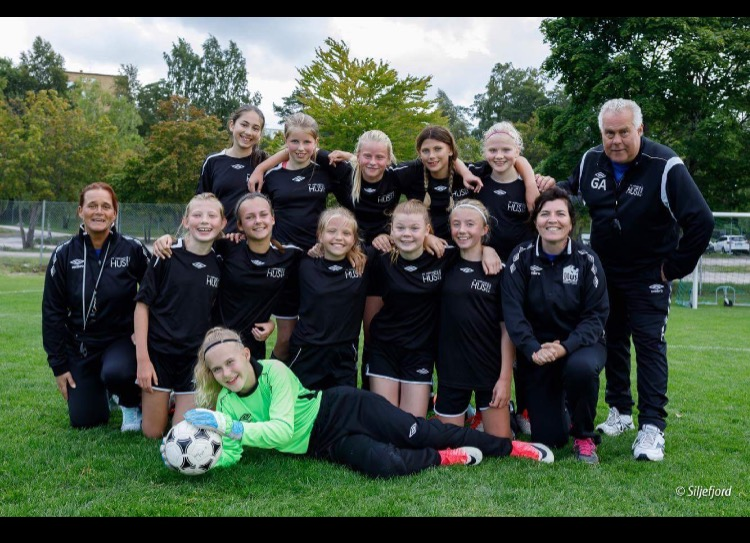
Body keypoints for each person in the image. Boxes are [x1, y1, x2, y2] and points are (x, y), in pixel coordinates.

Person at [537, 99, 714, 461]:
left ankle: (652, 427)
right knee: (613, 340)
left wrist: (673, 267)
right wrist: (550, 184)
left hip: (649, 274)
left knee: (649, 345)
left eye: (623, 132)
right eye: (609, 133)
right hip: (604, 273)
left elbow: (701, 220)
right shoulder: (591, 160)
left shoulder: (665, 165)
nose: (616, 140)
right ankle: (620, 411)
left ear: (640, 130)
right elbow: (570, 190)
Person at [166, 326, 554, 479]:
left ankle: (513, 448)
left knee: (421, 432)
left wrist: (230, 427)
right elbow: (234, 449)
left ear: (247, 354)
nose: (226, 373)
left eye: (230, 362)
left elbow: (281, 430)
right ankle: (445, 458)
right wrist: (202, 457)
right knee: (384, 465)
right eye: (216, 370)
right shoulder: (228, 404)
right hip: (322, 443)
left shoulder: (274, 372)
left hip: (343, 407)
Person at [501, 187, 609, 463]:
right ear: (536, 220)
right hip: (539, 351)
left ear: (571, 222)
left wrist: (566, 347)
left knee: (581, 369)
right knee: (550, 438)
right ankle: (561, 412)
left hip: (581, 345)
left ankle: (584, 436)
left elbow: (596, 316)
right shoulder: (521, 257)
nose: (552, 219)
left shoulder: (587, 259)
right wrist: (532, 348)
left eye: (560, 213)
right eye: (545, 213)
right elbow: (512, 312)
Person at [366, 199, 501, 418]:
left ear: (427, 229)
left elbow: (471, 247)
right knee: (385, 420)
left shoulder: (442, 255)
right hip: (385, 348)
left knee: (412, 424)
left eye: (414, 228)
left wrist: (489, 250)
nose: (406, 234)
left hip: (421, 351)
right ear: (391, 230)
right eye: (400, 228)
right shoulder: (381, 258)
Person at [42, 182, 151, 431]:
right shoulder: (63, 254)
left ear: (115, 213)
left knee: (116, 372)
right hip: (81, 345)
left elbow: (157, 291)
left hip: (121, 341)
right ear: (80, 211)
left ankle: (130, 402)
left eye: (105, 206)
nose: (99, 212)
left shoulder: (132, 249)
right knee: (85, 420)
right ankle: (104, 394)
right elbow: (52, 312)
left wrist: (147, 333)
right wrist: (59, 366)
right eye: (92, 205)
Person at [151, 193, 302, 361]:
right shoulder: (227, 248)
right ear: (240, 225)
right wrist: (168, 239)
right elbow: (194, 243)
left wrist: (271, 324)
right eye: (249, 217)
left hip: (253, 346)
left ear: (273, 218)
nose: (258, 221)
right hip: (215, 342)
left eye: (263, 214)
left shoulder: (288, 256)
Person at [252, 113, 351, 363]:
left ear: (316, 142)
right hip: (283, 262)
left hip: (316, 260)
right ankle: (273, 378)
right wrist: (261, 168)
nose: (301, 148)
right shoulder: (272, 176)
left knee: (314, 332)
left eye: (307, 142)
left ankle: (306, 379)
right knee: (285, 338)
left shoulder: (324, 172)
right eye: (294, 141)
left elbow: (356, 172)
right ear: (285, 140)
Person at [466, 121, 541, 434]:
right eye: (493, 149)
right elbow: (450, 157)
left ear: (518, 151)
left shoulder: (530, 187)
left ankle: (526, 407)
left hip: (522, 277)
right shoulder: (476, 181)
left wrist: (530, 180)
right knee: (486, 342)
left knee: (523, 341)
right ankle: (488, 406)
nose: (499, 156)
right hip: (486, 273)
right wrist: (484, 248)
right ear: (484, 151)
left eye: (506, 150)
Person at [134, 193, 226, 439]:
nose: (204, 221)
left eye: (211, 215)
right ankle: (149, 398)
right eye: (197, 215)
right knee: (152, 432)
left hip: (193, 358)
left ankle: (177, 401)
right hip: (159, 354)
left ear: (222, 223)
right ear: (185, 221)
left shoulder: (220, 262)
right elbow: (142, 306)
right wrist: (143, 360)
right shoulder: (166, 254)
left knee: (183, 432)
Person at [435, 200, 514, 439]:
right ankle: (468, 414)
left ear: (484, 229)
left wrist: (504, 379)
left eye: (470, 224)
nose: (462, 230)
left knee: (500, 443)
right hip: (451, 369)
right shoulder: (444, 260)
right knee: (447, 442)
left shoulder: (499, 271)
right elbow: (418, 241)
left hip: (488, 368)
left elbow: (507, 330)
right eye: (456, 224)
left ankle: (483, 415)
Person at [288, 207, 370, 390]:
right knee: (303, 403)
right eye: (332, 231)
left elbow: (396, 245)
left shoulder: (363, 263)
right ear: (320, 235)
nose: (339, 237)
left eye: (346, 233)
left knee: (342, 403)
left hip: (344, 353)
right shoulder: (303, 263)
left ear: (354, 239)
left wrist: (428, 237)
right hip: (307, 350)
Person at [196, 104, 268, 233]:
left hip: (254, 240)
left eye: (255, 128)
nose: (248, 132)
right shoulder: (213, 161)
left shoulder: (265, 163)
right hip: (219, 239)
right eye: (244, 125)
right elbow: (200, 204)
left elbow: (291, 150)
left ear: (260, 134)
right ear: (232, 125)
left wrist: (260, 168)